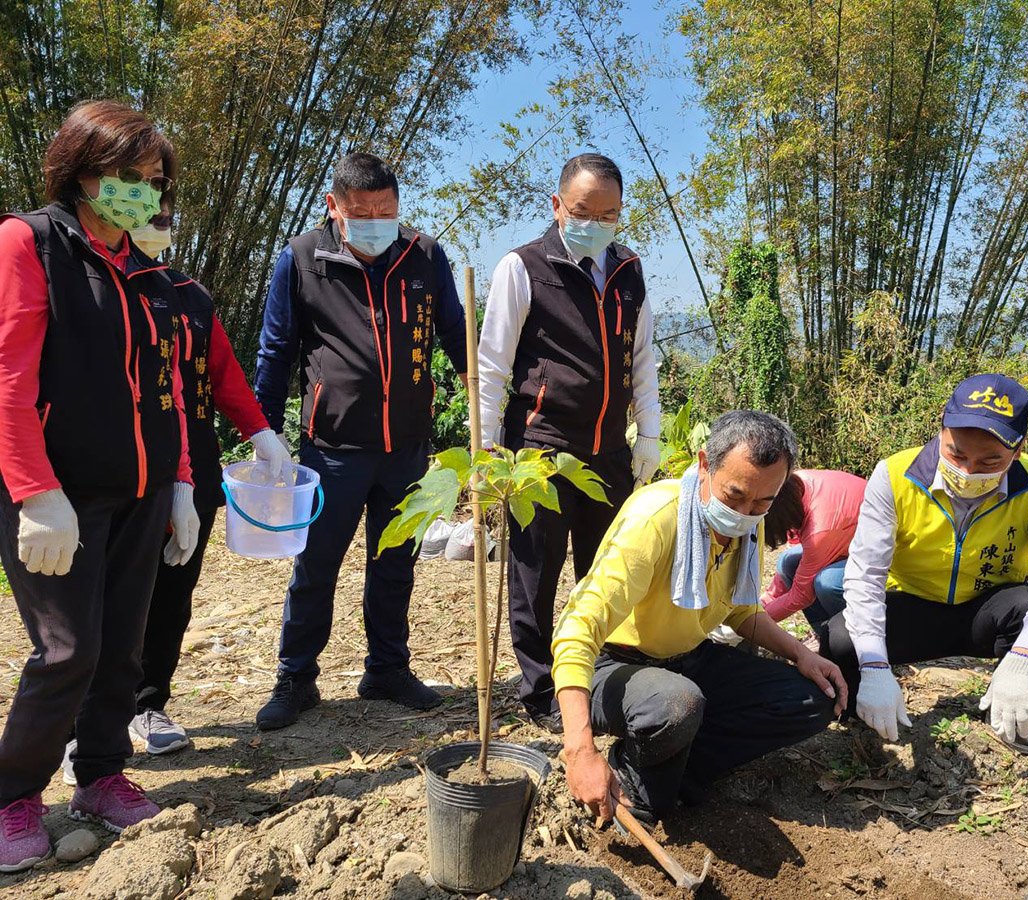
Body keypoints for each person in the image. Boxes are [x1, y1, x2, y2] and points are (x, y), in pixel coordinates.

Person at [0, 100, 200, 868]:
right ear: (80, 171)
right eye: (129, 177)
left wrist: (180, 482)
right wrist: (33, 491)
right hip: (61, 495)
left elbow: (169, 388)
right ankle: (16, 793)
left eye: (154, 181)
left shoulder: (148, 270)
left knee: (123, 645)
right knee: (67, 650)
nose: (145, 194)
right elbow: (10, 381)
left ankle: (102, 775)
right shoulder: (31, 242)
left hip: (143, 488)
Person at [253, 151, 468, 730]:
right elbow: (276, 350)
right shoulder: (302, 259)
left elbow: (453, 332)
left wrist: (485, 406)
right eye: (363, 211)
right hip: (333, 447)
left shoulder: (423, 255)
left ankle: (387, 669)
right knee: (316, 564)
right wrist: (264, 432)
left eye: (387, 210)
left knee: (395, 561)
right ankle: (296, 677)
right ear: (334, 207)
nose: (377, 220)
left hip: (407, 447)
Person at [551, 411, 846, 824]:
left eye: (764, 501)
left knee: (814, 700)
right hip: (617, 665)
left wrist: (801, 654)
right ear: (705, 464)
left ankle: (674, 762)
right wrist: (580, 748)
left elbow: (741, 611)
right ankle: (637, 768)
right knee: (676, 708)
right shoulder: (656, 519)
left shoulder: (750, 527)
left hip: (688, 660)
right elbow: (578, 629)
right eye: (735, 496)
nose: (746, 513)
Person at [478, 153, 661, 733]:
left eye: (608, 214)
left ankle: (599, 674)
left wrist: (648, 433)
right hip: (540, 448)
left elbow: (643, 359)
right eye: (583, 211)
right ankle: (539, 689)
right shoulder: (524, 267)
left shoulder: (629, 270)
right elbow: (491, 366)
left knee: (607, 569)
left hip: (609, 449)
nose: (595, 222)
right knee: (535, 574)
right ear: (557, 206)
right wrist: (487, 455)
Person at [819, 374, 1028, 756]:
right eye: (956, 453)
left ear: (1019, 449)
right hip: (911, 606)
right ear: (941, 431)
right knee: (841, 640)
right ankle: (862, 707)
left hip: (985, 612)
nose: (969, 470)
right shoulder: (895, 475)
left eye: (990, 461)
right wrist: (876, 666)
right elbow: (865, 574)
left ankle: (1009, 708)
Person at [126, 207, 290, 754]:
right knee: (112, 594)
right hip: (122, 462)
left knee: (173, 590)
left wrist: (261, 433)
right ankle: (88, 724)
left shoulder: (190, 296)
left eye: (164, 213)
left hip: (193, 461)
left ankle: (148, 703)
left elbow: (223, 375)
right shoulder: (96, 287)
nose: (155, 223)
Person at [760, 469, 867, 628]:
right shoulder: (795, 485)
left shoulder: (819, 530)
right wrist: (763, 603)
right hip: (848, 539)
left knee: (827, 582)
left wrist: (754, 621)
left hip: (887, 559)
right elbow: (796, 553)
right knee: (787, 561)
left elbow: (801, 595)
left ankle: (850, 636)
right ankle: (822, 631)